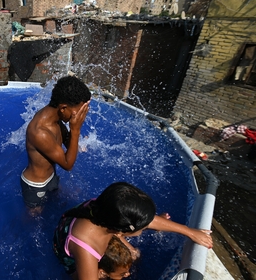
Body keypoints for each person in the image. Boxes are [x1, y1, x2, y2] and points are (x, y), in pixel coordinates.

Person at [53, 182, 213, 280]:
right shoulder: (86, 249)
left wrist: (190, 232)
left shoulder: (106, 207)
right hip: (71, 251)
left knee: (134, 254)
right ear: (118, 231)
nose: (147, 226)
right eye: (143, 227)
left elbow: (150, 221)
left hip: (87, 228)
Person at [21, 76, 91, 208]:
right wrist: (75, 130)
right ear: (63, 108)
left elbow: (67, 143)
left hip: (51, 176)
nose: (80, 116)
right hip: (36, 186)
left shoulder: (56, 119)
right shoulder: (40, 132)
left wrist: (76, 138)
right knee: (34, 218)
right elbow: (67, 165)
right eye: (78, 112)